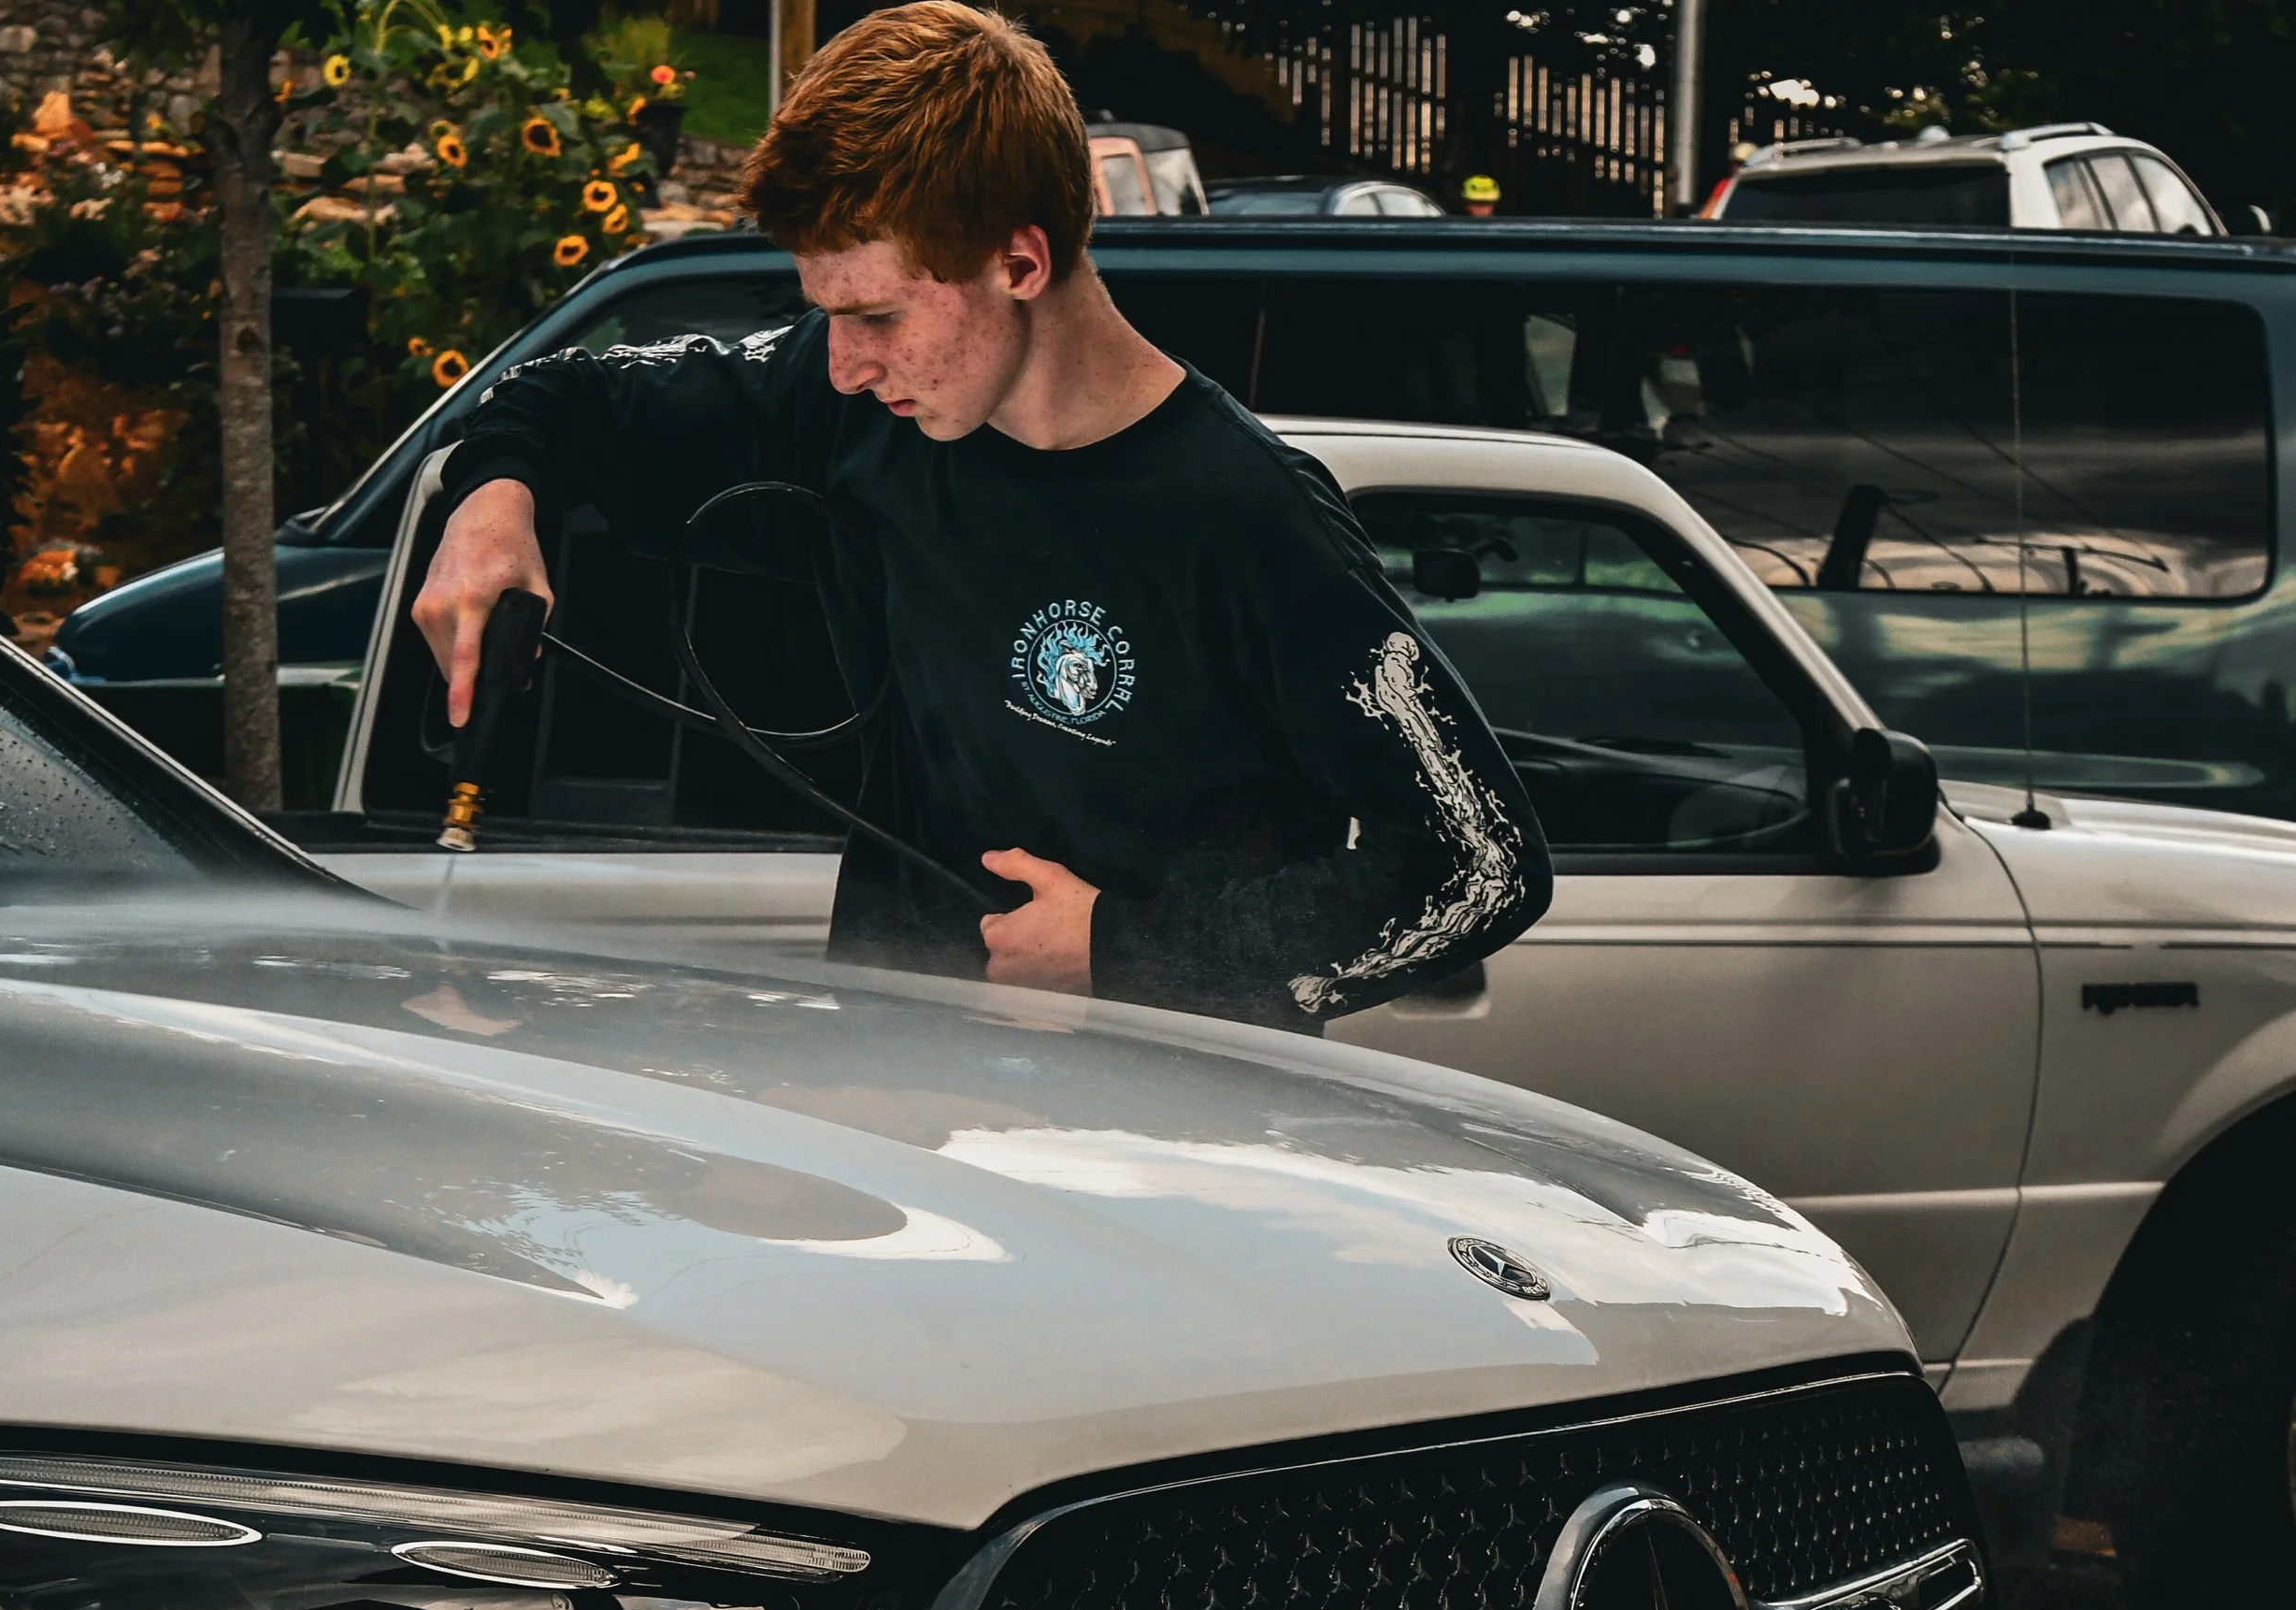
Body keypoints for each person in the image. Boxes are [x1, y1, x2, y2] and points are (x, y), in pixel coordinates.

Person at [414, 1, 1550, 1033]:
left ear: (1019, 260)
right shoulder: (857, 408)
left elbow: (1479, 865)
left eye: (874, 316)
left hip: (1167, 1168)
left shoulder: (1250, 520)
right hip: (904, 1119)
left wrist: (1121, 951)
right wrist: (492, 506)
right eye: (825, 317)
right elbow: (557, 397)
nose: (846, 365)